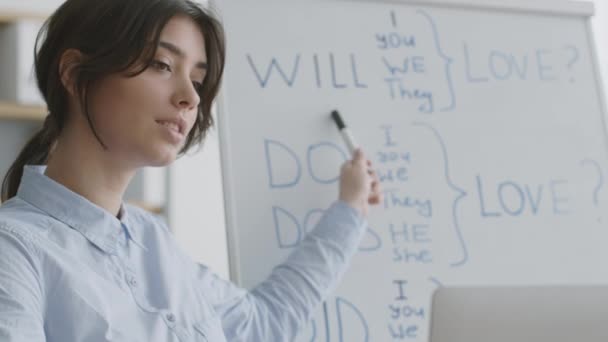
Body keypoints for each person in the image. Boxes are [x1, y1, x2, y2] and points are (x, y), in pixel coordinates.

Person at [0, 0, 382, 341]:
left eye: (197, 80)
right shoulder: (14, 249)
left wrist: (348, 212)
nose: (191, 96)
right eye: (162, 65)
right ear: (74, 73)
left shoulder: (155, 243)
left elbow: (263, 323)